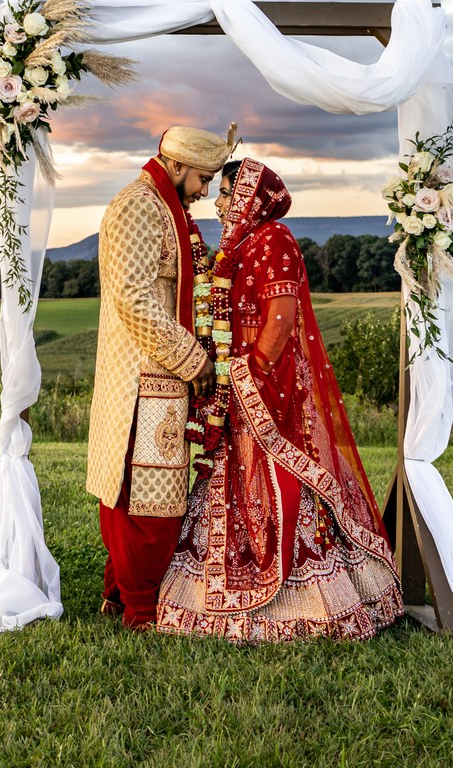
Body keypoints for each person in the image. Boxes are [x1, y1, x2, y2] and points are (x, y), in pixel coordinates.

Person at [157, 158, 403, 641]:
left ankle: (308, 598)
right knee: (232, 471)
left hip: (269, 386)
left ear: (250, 198)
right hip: (240, 381)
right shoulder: (237, 246)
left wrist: (247, 376)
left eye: (226, 193)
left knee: (279, 474)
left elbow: (281, 319)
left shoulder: (274, 239)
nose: (219, 203)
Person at [85, 124, 234, 631]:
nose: (205, 191)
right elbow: (134, 299)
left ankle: (125, 596)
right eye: (203, 179)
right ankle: (142, 610)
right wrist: (193, 359)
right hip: (142, 377)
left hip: (160, 376)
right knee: (145, 502)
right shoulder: (139, 206)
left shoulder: (163, 207)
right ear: (177, 165)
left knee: (154, 498)